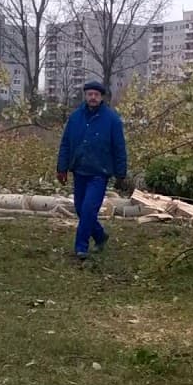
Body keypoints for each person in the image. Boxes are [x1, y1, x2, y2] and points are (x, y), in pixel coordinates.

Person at [56, 80, 128, 259]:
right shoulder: (75, 118)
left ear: (101, 97)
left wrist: (121, 173)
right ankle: (100, 235)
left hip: (99, 172)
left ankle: (81, 248)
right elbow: (66, 144)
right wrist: (62, 168)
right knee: (80, 209)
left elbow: (119, 147)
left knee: (88, 209)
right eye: (90, 94)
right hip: (79, 170)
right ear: (85, 96)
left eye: (96, 94)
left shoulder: (112, 119)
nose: (93, 97)